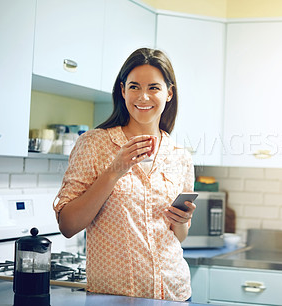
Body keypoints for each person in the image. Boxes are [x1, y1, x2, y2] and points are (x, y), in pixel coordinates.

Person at [53, 48, 196, 301]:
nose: (143, 96)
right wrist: (114, 171)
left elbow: (180, 236)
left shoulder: (180, 156)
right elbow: (68, 225)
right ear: (122, 90)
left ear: (169, 93)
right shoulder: (94, 144)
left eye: (154, 87)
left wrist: (182, 220)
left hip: (174, 292)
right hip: (114, 297)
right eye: (134, 87)